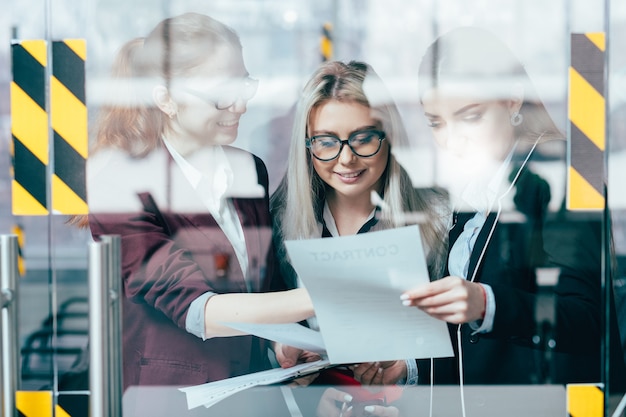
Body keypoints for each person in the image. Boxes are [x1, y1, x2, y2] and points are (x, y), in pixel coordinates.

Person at [82, 13, 315, 389]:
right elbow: (198, 311)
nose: (239, 105)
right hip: (167, 400)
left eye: (243, 85)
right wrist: (327, 296)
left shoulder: (248, 170)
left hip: (250, 394)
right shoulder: (121, 183)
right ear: (167, 100)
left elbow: (261, 286)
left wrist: (281, 338)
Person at [401, 26, 620, 385]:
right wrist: (408, 369)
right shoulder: (472, 192)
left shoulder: (562, 177)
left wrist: (486, 303)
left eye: (470, 116)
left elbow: (585, 319)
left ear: (512, 99)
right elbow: (474, 348)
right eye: (436, 123)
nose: (451, 140)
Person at [269, 60, 450, 409]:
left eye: (363, 138)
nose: (346, 159)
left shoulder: (439, 217)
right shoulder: (281, 220)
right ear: (307, 146)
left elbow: (468, 344)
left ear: (389, 136)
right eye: (325, 142)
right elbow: (271, 327)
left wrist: (408, 368)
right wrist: (285, 354)